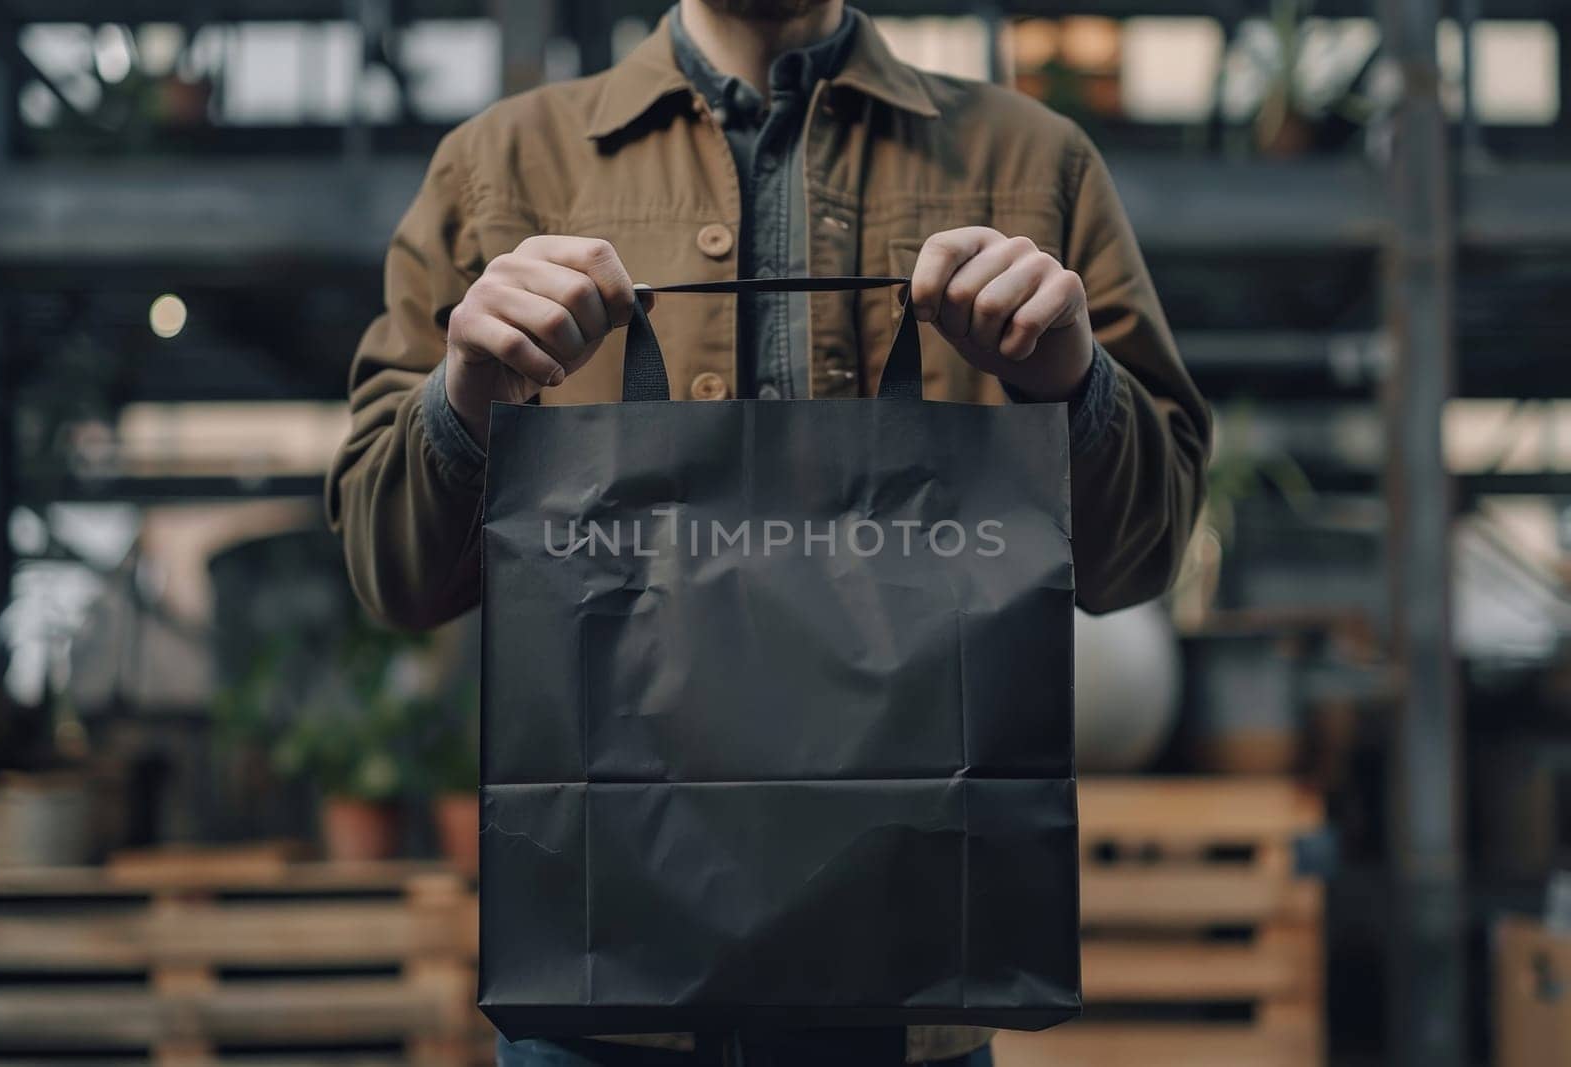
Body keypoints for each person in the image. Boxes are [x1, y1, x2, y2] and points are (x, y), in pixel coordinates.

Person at [328, 1, 1210, 1064]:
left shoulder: (1033, 166)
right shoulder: (499, 170)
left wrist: (1073, 382)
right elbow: (394, 574)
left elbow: (1141, 556)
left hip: (906, 987)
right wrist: (463, 392)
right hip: (606, 990)